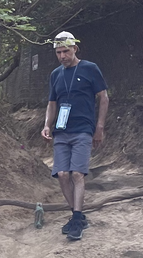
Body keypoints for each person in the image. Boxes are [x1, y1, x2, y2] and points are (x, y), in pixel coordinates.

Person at [40, 31, 109, 241]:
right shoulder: (55, 74)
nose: (62, 56)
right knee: (62, 174)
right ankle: (76, 215)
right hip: (62, 130)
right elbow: (52, 103)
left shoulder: (90, 68)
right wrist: (47, 125)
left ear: (75, 49)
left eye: (66, 51)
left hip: (83, 129)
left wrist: (100, 127)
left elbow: (103, 97)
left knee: (78, 174)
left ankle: (77, 218)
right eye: (59, 52)